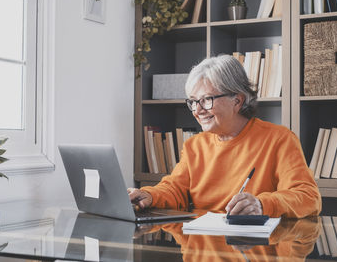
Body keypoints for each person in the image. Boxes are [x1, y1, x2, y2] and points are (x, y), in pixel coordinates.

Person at [128, 55, 321, 218]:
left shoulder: (280, 139)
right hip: (202, 247)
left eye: (206, 100)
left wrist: (262, 204)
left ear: (237, 100)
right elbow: (174, 189)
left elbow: (308, 197)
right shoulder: (194, 145)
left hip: (253, 249)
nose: (198, 110)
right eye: (193, 102)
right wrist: (149, 195)